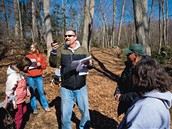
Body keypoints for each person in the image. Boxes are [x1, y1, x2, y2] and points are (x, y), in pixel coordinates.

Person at [49, 29, 92, 129]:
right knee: (65, 115)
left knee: (85, 113)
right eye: (66, 36)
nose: (67, 37)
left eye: (70, 35)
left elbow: (90, 63)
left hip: (81, 87)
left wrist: (89, 64)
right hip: (66, 87)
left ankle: (83, 127)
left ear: (75, 37)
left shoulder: (83, 50)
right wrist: (54, 52)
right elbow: (53, 63)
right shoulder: (61, 51)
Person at [117, 58, 172, 129]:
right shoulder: (158, 100)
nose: (132, 77)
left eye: (134, 74)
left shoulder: (145, 108)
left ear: (140, 78)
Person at [114, 43, 151, 116]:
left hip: (138, 108)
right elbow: (121, 82)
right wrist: (117, 92)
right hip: (127, 105)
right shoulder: (129, 67)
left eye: (129, 54)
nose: (127, 55)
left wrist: (122, 97)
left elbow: (141, 93)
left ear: (136, 56)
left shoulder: (145, 71)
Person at [5, 57, 32, 129]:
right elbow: (9, 91)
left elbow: (24, 85)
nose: (28, 69)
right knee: (19, 116)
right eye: (27, 67)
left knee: (25, 110)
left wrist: (27, 91)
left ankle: (14, 120)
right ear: (23, 66)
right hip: (16, 100)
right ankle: (16, 126)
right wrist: (13, 102)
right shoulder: (13, 76)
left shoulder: (22, 74)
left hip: (22, 99)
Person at [26, 43, 50, 114]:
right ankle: (34, 108)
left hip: (39, 76)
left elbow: (45, 65)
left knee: (41, 91)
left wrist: (40, 65)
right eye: (31, 47)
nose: (31, 49)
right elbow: (24, 65)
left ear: (36, 48)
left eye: (33, 47)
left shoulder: (40, 56)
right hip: (30, 77)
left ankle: (45, 106)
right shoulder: (27, 56)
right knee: (32, 92)